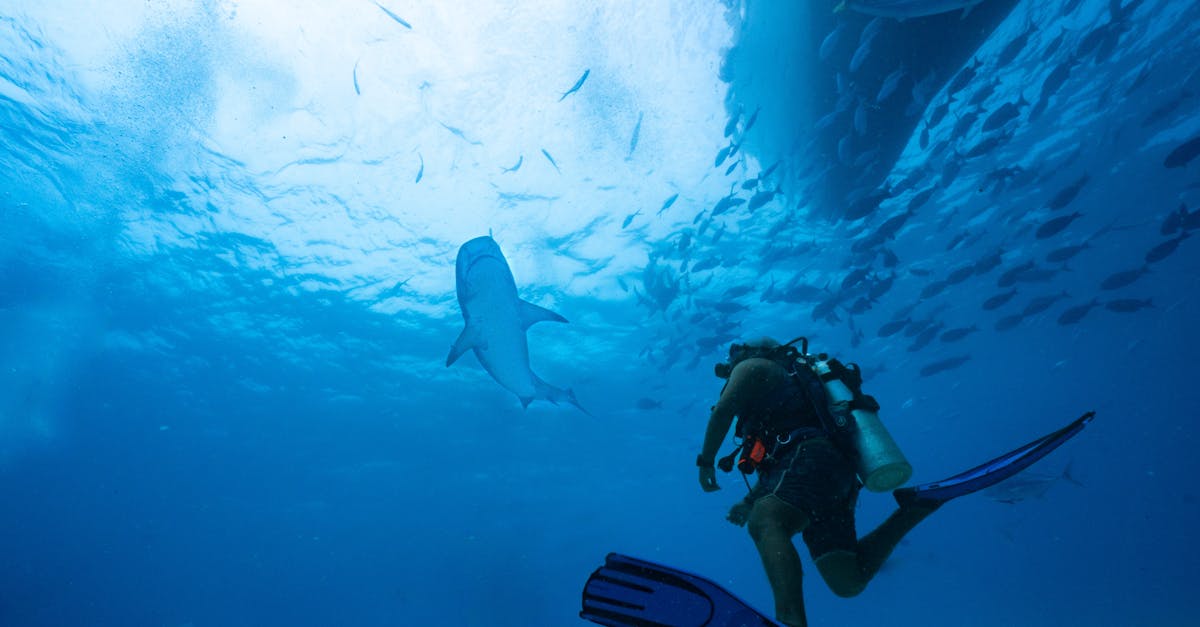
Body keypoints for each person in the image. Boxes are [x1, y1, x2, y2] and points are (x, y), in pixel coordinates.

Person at [695, 337, 938, 627]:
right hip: (832, 474)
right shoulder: (788, 386)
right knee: (847, 580)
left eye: (735, 351)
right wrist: (749, 501)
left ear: (754, 351)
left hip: (811, 457)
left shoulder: (752, 365)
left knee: (764, 521)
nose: (730, 360)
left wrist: (706, 462)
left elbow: (723, 411)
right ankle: (913, 510)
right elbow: (780, 465)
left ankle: (789, 621)